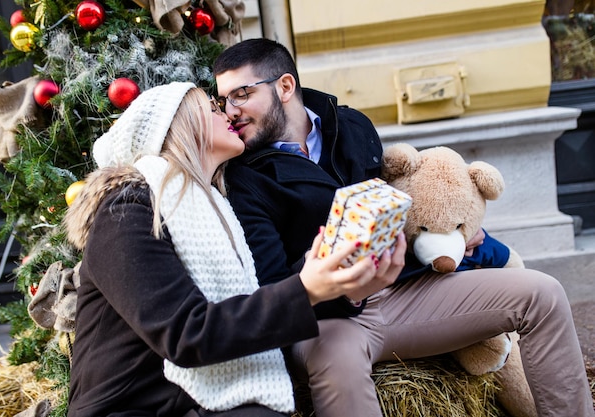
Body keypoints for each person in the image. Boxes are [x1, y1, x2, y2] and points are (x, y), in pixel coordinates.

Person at [213, 38, 595, 417]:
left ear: (284, 87)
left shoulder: (351, 125)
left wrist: (449, 235)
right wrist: (328, 273)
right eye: (224, 100)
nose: (231, 111)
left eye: (241, 94)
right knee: (338, 361)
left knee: (542, 293)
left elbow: (397, 206)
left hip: (406, 290)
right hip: (329, 320)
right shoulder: (244, 178)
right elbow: (272, 287)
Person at [63, 82, 389, 417]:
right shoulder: (127, 210)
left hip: (193, 404)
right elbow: (187, 333)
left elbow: (253, 302)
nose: (228, 113)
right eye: (213, 107)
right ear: (179, 123)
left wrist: (340, 283)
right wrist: (306, 289)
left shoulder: (218, 207)